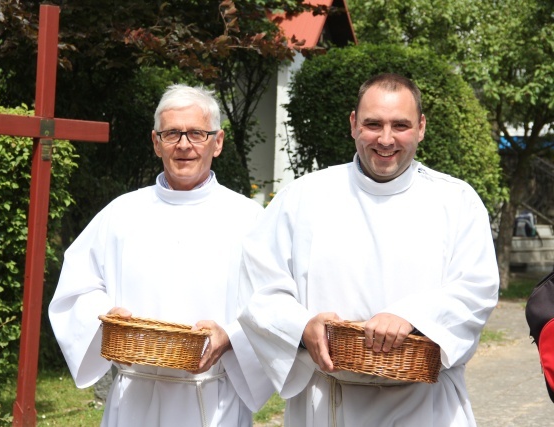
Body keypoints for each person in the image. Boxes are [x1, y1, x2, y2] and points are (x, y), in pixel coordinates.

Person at [238, 73, 499, 426]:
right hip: (328, 402)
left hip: (425, 405)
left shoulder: (456, 201)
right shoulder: (303, 197)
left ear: (421, 127)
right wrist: (302, 327)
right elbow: (260, 288)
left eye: (401, 125)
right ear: (353, 124)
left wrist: (411, 316)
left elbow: (477, 289)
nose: (386, 139)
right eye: (373, 124)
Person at [49, 84, 273, 427]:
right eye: (172, 134)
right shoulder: (121, 213)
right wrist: (106, 315)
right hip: (134, 397)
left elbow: (272, 303)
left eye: (197, 133)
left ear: (219, 141)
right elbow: (76, 289)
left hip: (211, 400)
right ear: (156, 143)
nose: (184, 145)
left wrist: (230, 336)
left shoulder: (249, 220)